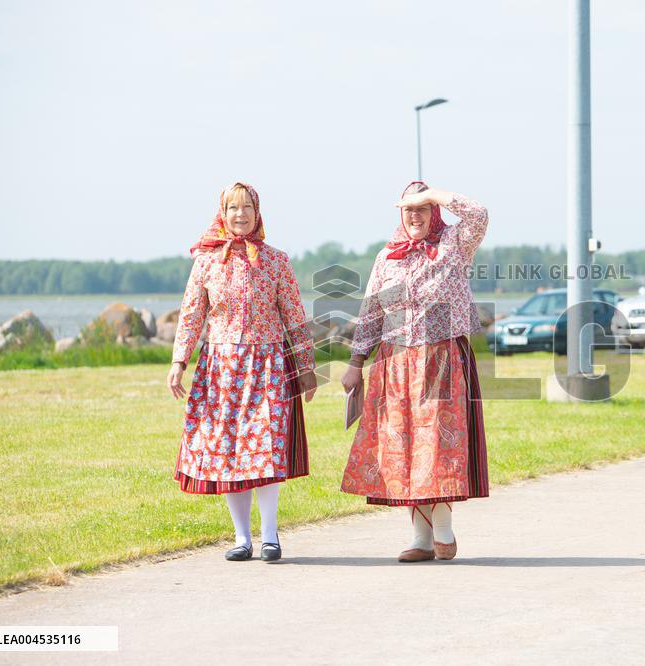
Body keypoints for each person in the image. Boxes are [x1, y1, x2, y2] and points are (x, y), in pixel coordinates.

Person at [340, 182, 489, 562]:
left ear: (434, 211)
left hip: (440, 356)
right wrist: (356, 363)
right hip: (395, 363)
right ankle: (421, 538)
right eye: (408, 209)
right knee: (403, 446)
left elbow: (478, 214)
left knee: (437, 444)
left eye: (422, 208)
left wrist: (433, 194)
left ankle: (443, 530)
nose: (415, 216)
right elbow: (371, 313)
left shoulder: (454, 245)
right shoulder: (387, 257)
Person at [167, 182, 316, 561]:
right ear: (223, 213)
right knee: (229, 453)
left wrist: (306, 366)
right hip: (222, 371)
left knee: (265, 449)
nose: (240, 214)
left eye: (247, 207)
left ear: (257, 212)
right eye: (233, 208)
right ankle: (241, 538)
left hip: (268, 366)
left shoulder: (276, 260)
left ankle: (270, 536)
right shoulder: (206, 262)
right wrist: (179, 361)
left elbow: (294, 315)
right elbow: (191, 315)